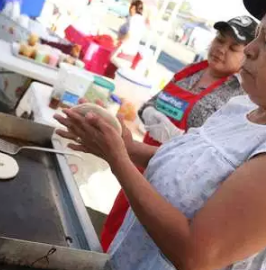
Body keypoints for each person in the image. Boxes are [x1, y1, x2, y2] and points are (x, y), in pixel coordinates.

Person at [54, 0, 266, 268]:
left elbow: (196, 255)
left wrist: (119, 160)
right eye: (257, 36)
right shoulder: (242, 107)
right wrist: (129, 148)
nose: (249, 49)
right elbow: (195, 158)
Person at [101, 15, 257, 253]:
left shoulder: (236, 97)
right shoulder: (192, 71)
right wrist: (149, 117)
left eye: (233, 47)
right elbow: (148, 105)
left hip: (174, 184)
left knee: (144, 242)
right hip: (142, 162)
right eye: (219, 39)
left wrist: (177, 140)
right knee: (116, 229)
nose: (221, 49)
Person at [105, 0, 146, 78]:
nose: (129, 9)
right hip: (132, 52)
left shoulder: (134, 19)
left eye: (130, 7)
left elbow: (129, 35)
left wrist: (118, 40)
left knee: (111, 65)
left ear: (133, 8)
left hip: (124, 49)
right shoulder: (141, 20)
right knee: (116, 72)